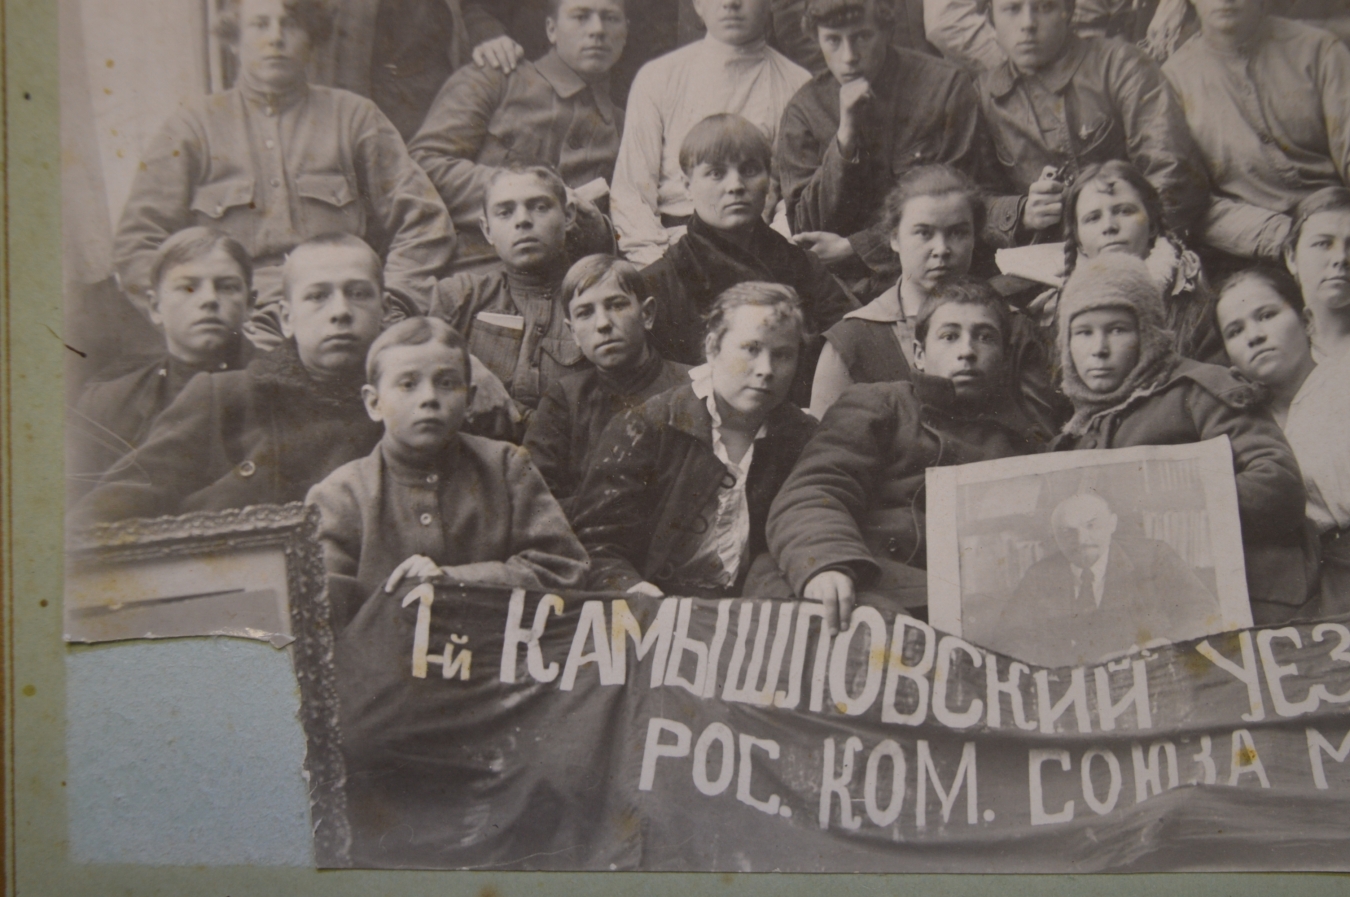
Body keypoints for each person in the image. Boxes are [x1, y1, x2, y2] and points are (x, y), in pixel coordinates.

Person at [112, 0, 455, 341]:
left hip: (342, 316)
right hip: (239, 329)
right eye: (260, 24)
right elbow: (138, 243)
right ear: (234, 40)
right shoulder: (192, 128)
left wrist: (389, 306)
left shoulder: (355, 118)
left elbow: (425, 222)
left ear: (311, 38)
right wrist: (192, 318)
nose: (275, 37)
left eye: (290, 24)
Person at [766, 278, 1046, 633]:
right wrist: (825, 564)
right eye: (949, 336)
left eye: (985, 337)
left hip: (968, 607)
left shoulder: (1022, 443)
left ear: (1005, 358)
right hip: (865, 580)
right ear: (919, 354)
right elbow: (817, 489)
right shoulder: (882, 404)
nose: (967, 351)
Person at [1053, 253, 1312, 624]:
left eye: (1118, 329)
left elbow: (1278, 485)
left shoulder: (1198, 389)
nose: (1099, 349)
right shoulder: (1074, 436)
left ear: (1147, 333)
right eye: (1083, 333)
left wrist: (1164, 508)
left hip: (1248, 604)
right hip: (1146, 619)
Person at [76, 235, 389, 523]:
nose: (340, 311)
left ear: (384, 310)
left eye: (358, 293)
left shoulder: (402, 403)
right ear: (286, 318)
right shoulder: (224, 396)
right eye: (318, 296)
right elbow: (107, 509)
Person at [306, 316, 589, 627]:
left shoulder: (506, 467)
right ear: (374, 403)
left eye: (446, 383)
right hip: (386, 655)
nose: (429, 398)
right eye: (408, 384)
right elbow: (320, 615)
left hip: (497, 650)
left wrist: (455, 581)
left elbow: (564, 569)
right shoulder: (339, 496)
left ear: (469, 400)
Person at [571, 282, 817, 597]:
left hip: (752, 606)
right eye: (751, 349)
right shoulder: (649, 427)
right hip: (654, 602)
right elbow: (595, 542)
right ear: (713, 349)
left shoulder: (801, 437)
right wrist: (628, 587)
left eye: (782, 355)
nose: (766, 369)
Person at [808, 165, 1061, 431]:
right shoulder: (852, 340)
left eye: (958, 233)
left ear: (975, 238)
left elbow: (1041, 437)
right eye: (924, 233)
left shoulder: (1014, 327)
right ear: (894, 239)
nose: (941, 249)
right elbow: (826, 448)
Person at [775, 0, 991, 291]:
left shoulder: (945, 88)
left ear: (887, 30)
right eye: (833, 40)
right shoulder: (803, 110)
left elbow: (963, 208)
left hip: (944, 277)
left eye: (862, 37)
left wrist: (855, 248)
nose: (849, 56)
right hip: (844, 289)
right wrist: (845, 137)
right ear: (816, 39)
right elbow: (804, 230)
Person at [639, 114, 856, 398]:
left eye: (750, 170)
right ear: (687, 185)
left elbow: (850, 347)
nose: (736, 186)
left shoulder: (804, 267)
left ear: (769, 181)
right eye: (716, 173)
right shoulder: (658, 284)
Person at [408, 0, 627, 272]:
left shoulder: (622, 124)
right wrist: (520, 192)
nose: (597, 30)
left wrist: (599, 228)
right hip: (470, 269)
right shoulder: (496, 78)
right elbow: (423, 164)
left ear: (625, 32)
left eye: (610, 18)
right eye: (581, 17)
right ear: (552, 29)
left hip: (568, 281)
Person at [975, 0, 1206, 247]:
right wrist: (1022, 212)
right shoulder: (984, 94)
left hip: (1135, 247)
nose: (1028, 24)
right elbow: (977, 201)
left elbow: (1172, 172)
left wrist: (1135, 241)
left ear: (1068, 11)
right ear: (990, 17)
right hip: (1044, 255)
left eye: (1045, 7)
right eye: (1012, 8)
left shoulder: (1121, 66)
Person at [609, 0, 811, 265]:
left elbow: (796, 199)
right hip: (672, 248)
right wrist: (659, 267)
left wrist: (770, 260)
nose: (731, 3)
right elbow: (632, 194)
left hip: (761, 252)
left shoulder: (798, 84)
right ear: (698, 4)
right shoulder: (658, 77)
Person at [68, 228, 255, 500]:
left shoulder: (287, 388)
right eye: (188, 287)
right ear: (156, 307)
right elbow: (77, 509)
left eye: (227, 286)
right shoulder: (106, 405)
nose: (209, 299)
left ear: (250, 304)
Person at [1162, 0, 1350, 264]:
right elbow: (1193, 204)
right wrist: (1281, 237)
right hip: (1254, 250)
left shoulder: (1319, 50)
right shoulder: (1175, 80)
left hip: (1341, 228)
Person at [522, 255, 689, 513]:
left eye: (617, 305)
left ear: (646, 314)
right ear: (573, 332)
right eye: (585, 313)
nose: (602, 324)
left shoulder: (694, 386)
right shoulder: (564, 399)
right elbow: (535, 498)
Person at [977, 492, 1221, 668]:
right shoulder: (1039, 575)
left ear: (1112, 524)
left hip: (1147, 674)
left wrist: (1164, 644)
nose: (1081, 540)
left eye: (1091, 526)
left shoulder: (1154, 557)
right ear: (1055, 536)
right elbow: (1009, 637)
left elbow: (1204, 613)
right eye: (1068, 532)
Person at [428, 165, 590, 418]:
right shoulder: (461, 295)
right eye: (505, 212)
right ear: (487, 230)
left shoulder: (594, 299)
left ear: (568, 216)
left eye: (540, 207)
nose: (522, 220)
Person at [1049, 159, 1225, 363]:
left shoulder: (1195, 300)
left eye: (1124, 211)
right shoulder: (1063, 308)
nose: (1109, 226)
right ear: (1079, 241)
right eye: (1093, 218)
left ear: (1152, 225)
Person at [1283, 188, 1350, 613]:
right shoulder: (1271, 358)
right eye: (1323, 244)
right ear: (1291, 257)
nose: (1340, 258)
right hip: (1317, 577)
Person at [1214, 267, 1316, 430]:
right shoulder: (1240, 428)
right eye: (1236, 331)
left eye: (1266, 316)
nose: (1254, 336)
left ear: (1306, 321)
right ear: (1229, 358)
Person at [924, 0, 1153, 72]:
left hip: (1101, 64)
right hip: (1010, 79)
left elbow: (1121, 14)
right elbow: (947, 23)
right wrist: (1024, 64)